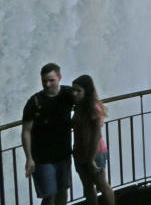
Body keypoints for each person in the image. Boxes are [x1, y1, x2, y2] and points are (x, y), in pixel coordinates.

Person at [22, 63, 74, 205]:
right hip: (42, 158)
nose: (47, 84)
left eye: (51, 80)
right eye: (44, 80)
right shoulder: (35, 102)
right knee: (49, 195)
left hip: (63, 154)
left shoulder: (68, 94)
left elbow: (88, 98)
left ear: (60, 78)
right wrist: (29, 158)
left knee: (63, 191)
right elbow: (26, 131)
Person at [70, 75, 115, 205]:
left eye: (78, 90)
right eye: (73, 90)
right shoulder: (78, 106)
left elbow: (96, 135)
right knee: (88, 187)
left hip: (95, 153)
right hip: (79, 152)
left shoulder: (93, 108)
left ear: (87, 91)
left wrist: (91, 159)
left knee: (102, 185)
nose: (74, 93)